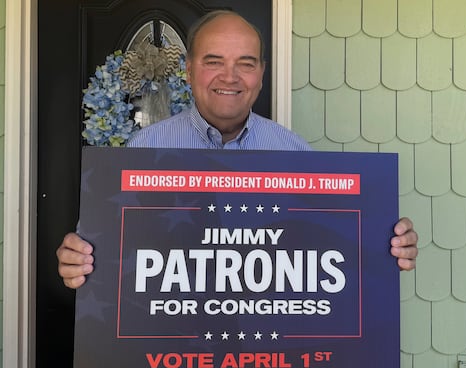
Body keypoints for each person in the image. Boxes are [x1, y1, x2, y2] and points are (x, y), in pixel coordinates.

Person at [58, 10, 418, 289]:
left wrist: (384, 245)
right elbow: (102, 252)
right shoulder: (143, 149)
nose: (229, 77)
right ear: (188, 70)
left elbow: (330, 251)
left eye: (245, 63)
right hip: (169, 359)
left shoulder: (296, 154)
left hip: (277, 360)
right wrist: (79, 260)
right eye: (213, 61)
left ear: (261, 74)